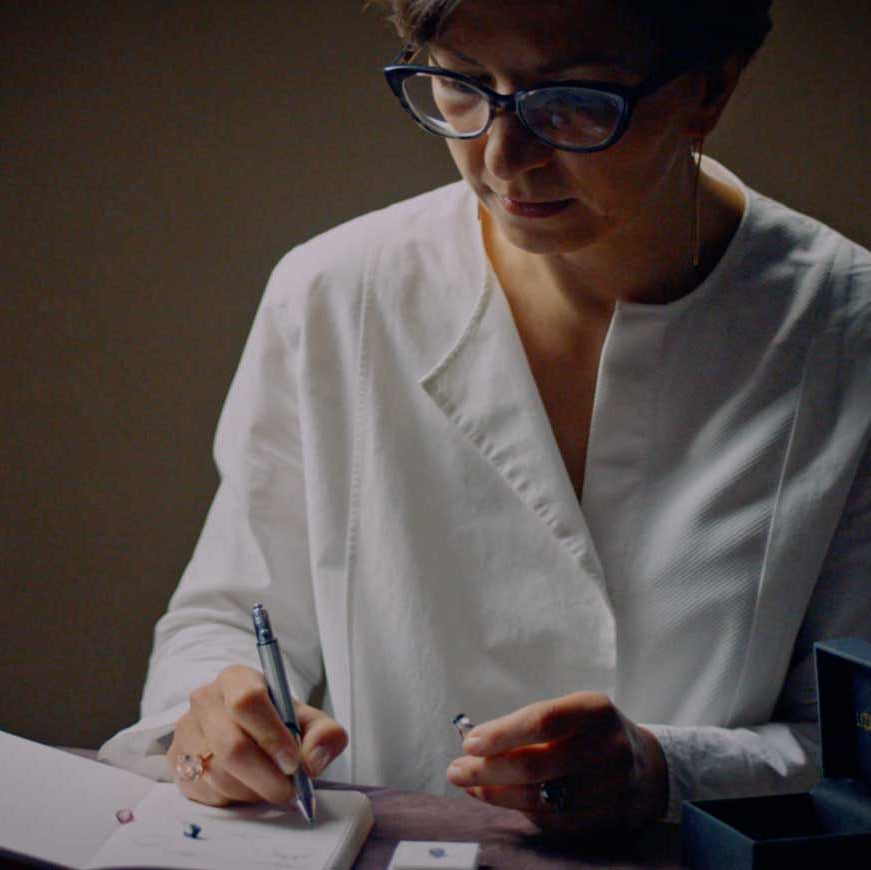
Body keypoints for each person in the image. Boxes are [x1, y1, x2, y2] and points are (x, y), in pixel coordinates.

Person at [99, 0, 871, 838]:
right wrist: (212, 725)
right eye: (462, 85)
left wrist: (666, 772)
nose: (503, 158)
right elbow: (225, 617)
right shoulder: (333, 292)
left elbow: (852, 735)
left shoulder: (846, 331)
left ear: (709, 90)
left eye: (572, 100)